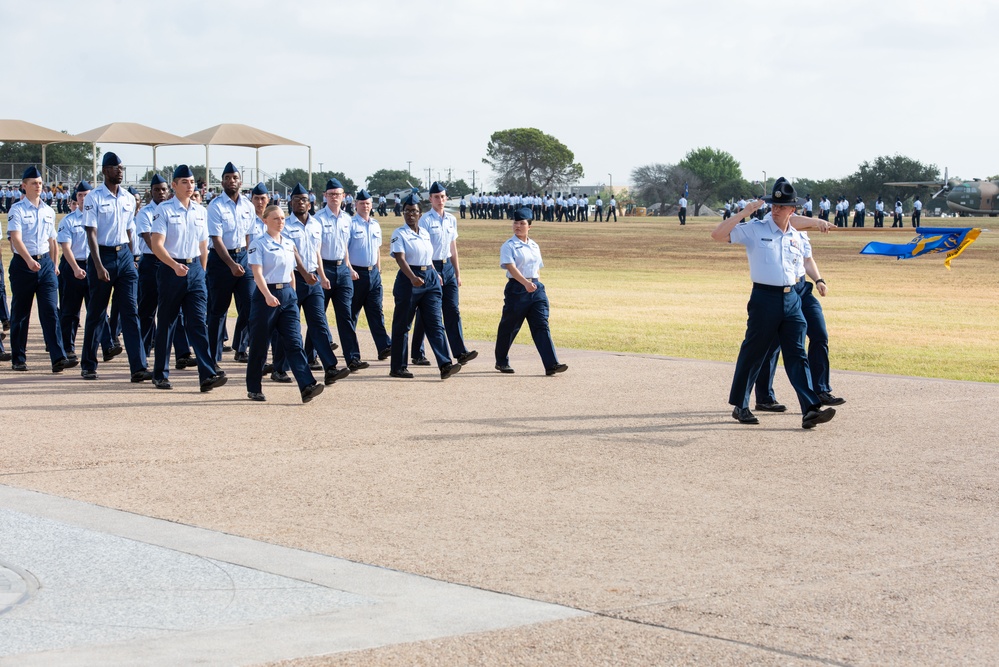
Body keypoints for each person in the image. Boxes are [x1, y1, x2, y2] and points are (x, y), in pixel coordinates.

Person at [710, 177, 836, 429]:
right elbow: (717, 235)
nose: (775, 210)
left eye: (782, 206)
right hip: (764, 298)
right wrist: (744, 213)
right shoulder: (756, 228)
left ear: (792, 209)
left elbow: (805, 260)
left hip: (792, 299)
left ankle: (810, 408)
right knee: (755, 351)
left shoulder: (797, 236)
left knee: (797, 354)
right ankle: (741, 405)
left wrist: (818, 278)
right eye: (773, 205)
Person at [147, 165, 227, 393]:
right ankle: (160, 374)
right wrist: (173, 265)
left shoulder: (200, 211)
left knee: (198, 323)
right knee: (167, 323)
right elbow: (156, 244)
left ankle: (207, 374)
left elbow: (204, 246)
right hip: (171, 269)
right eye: (184, 182)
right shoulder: (164, 210)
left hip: (194, 272)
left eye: (192, 182)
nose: (190, 185)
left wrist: (200, 272)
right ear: (174, 185)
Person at [753, 232, 846, 412]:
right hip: (782, 291)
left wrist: (819, 280)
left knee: (819, 335)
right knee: (774, 345)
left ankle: (821, 390)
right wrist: (819, 223)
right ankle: (764, 397)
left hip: (802, 289)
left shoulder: (800, 234)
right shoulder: (772, 226)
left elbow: (807, 259)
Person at [79, 152, 151, 382]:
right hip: (103, 256)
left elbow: (130, 231)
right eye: (115, 167)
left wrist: (132, 257)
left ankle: (138, 367)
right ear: (104, 171)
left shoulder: (129, 198)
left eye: (121, 167)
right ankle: (88, 364)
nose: (120, 171)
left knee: (131, 312)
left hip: (124, 257)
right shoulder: (94, 198)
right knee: (97, 313)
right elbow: (91, 232)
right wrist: (98, 265)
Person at [245, 204, 325, 403]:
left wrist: (293, 294)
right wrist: (267, 295)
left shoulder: (288, 243)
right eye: (275, 219)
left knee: (294, 342)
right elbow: (257, 273)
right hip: (267, 295)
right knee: (260, 344)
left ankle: (307, 385)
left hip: (287, 295)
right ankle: (254, 387)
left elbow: (291, 273)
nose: (280, 222)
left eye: (282, 218)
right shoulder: (258, 243)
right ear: (265, 221)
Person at [6, 166, 75, 372]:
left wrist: (54, 264)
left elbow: (52, 240)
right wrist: (28, 260)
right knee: (21, 313)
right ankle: (18, 358)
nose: (38, 186)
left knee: (50, 311)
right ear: (24, 186)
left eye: (40, 183)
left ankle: (58, 357)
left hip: (45, 265)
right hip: (23, 265)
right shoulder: (16, 210)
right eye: (34, 183)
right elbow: (16, 239)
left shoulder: (47, 210)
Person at [387, 193, 461, 380]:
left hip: (429, 278)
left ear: (420, 214)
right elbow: (400, 258)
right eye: (407, 211)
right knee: (403, 325)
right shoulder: (399, 233)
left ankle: (445, 364)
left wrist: (434, 273)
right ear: (403, 213)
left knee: (436, 323)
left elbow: (428, 256)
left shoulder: (425, 233)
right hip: (409, 280)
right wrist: (412, 277)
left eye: (414, 211)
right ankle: (398, 367)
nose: (410, 214)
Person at [282, 183, 350, 385]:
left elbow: (317, 252)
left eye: (304, 199)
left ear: (310, 204)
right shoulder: (285, 225)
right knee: (289, 327)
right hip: (293, 279)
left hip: (313, 280)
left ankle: (330, 368)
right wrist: (305, 274)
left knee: (319, 324)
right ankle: (279, 368)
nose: (300, 203)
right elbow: (291, 254)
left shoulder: (315, 225)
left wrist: (321, 275)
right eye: (296, 200)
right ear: (291, 203)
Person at [494, 207, 568, 376]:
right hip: (517, 289)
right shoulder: (509, 245)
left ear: (529, 227)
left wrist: (535, 285)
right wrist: (525, 283)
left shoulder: (534, 245)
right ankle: (501, 361)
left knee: (541, 325)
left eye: (522, 223)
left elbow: (537, 268)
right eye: (515, 223)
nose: (517, 226)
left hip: (535, 288)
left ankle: (551, 364)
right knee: (510, 326)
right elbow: (511, 268)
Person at [411, 182, 477, 368]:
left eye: (442, 196)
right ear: (430, 199)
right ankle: (417, 352)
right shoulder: (425, 220)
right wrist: (432, 271)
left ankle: (460, 352)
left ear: (446, 198)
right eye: (436, 197)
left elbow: (453, 248)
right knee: (428, 312)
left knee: (453, 310)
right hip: (431, 266)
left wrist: (457, 273)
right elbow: (424, 249)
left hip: (447, 266)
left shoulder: (451, 219)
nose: (440, 200)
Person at [206, 162, 254, 365]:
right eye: (227, 178)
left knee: (251, 305)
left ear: (240, 181)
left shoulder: (248, 206)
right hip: (220, 260)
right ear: (222, 181)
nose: (231, 181)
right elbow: (216, 240)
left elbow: (249, 235)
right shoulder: (215, 206)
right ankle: (213, 358)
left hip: (243, 257)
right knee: (218, 310)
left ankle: (241, 347)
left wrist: (249, 259)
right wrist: (231, 265)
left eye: (234, 177)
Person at [316, 177, 365, 372]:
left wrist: (349, 267)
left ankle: (353, 358)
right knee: (318, 315)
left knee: (345, 315)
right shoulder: (318, 218)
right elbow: (316, 249)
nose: (335, 197)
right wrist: (320, 273)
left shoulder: (347, 219)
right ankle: (310, 355)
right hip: (324, 268)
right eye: (331, 194)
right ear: (325, 196)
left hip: (342, 270)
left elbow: (344, 245)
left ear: (344, 196)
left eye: (338, 194)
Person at [347, 189, 392, 365]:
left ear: (371, 205)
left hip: (373, 273)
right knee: (351, 314)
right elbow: (344, 250)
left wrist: (378, 270)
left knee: (376, 312)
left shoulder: (375, 224)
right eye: (361, 203)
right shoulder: (351, 224)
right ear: (355, 205)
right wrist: (349, 269)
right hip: (356, 274)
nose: (365, 206)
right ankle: (351, 351)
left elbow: (377, 249)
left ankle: (384, 346)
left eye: (367, 203)